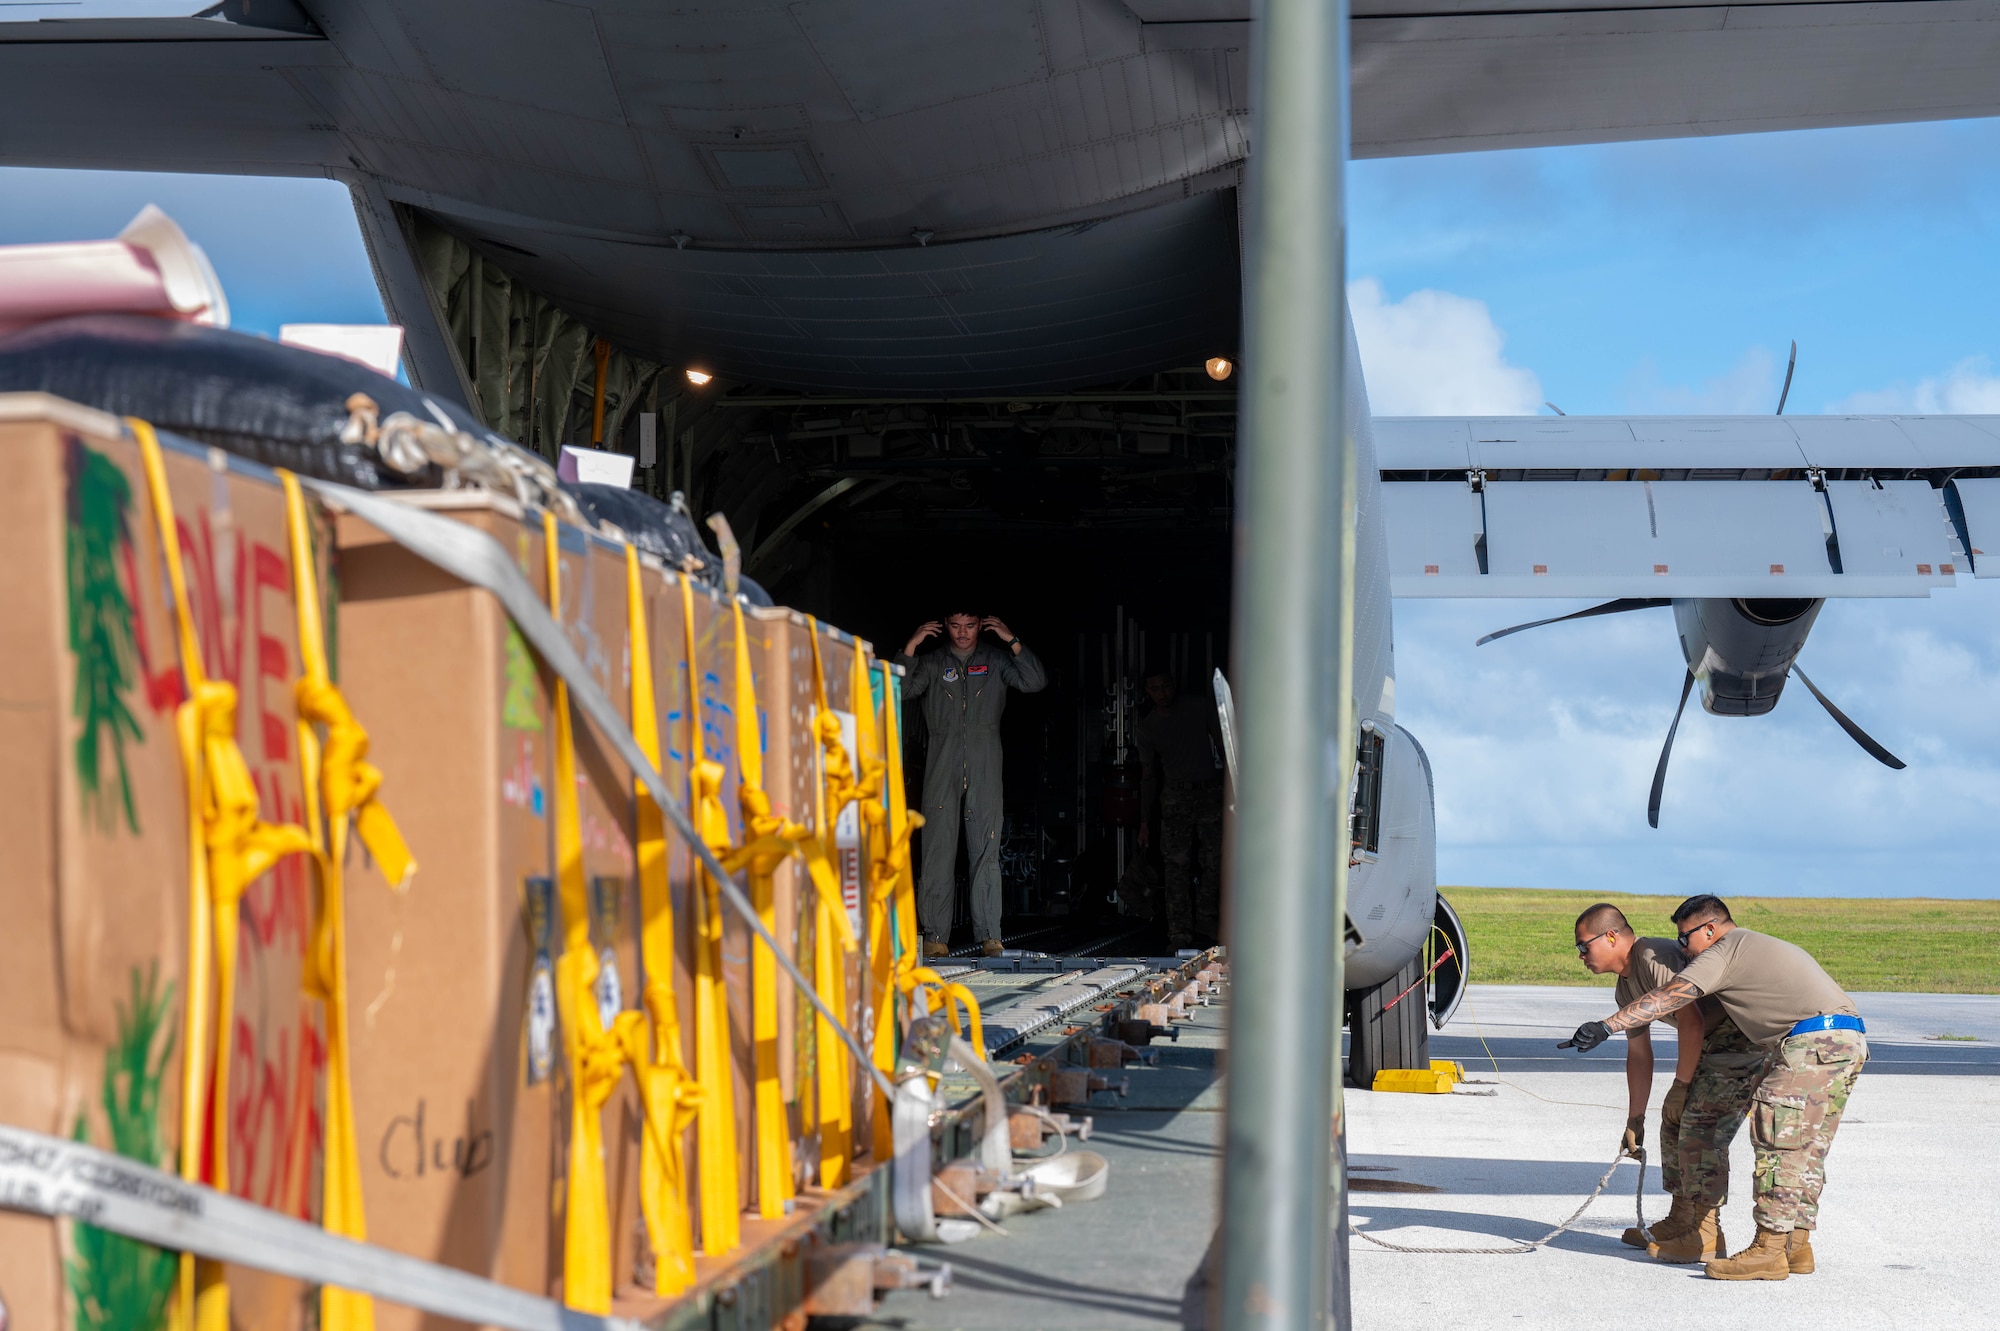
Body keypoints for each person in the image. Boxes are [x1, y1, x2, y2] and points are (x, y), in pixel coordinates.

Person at [1563, 894, 1868, 1281]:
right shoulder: (1738, 947)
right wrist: (1635, 1117)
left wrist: (1609, 1027)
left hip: (1803, 1040)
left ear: (1709, 929)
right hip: (1839, 1039)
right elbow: (1641, 1053)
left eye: (1684, 939)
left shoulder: (1725, 948)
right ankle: (1791, 1244)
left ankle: (1751, 1245)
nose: (1682, 950)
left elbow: (1677, 1002)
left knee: (1762, 1139)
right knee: (1801, 1147)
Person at [1572, 902, 1766, 1264]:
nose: (1581, 955)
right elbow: (1640, 1055)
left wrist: (1681, 1086)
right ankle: (1682, 1219)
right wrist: (1635, 1119)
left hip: (1741, 1039)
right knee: (1674, 1120)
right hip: (1712, 1044)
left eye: (1584, 945)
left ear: (1611, 936)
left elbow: (1691, 1020)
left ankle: (1707, 1234)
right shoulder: (1625, 989)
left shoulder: (1652, 956)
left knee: (1699, 1124)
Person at [898, 611, 1046, 958]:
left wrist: (1011, 639)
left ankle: (991, 936)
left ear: (982, 625)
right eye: (954, 626)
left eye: (970, 626)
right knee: (937, 850)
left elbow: (1035, 680)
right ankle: (935, 936)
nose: (962, 634)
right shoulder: (933, 663)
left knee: (986, 849)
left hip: (985, 762)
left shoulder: (995, 661)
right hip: (941, 762)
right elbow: (900, 689)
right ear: (943, 626)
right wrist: (911, 647)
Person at [1135, 669, 1224, 949]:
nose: (1162, 693)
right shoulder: (1148, 727)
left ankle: (1207, 920)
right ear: (1148, 693)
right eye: (1155, 689)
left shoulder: (1197, 707)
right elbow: (1147, 776)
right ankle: (1179, 930)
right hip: (1175, 797)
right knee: (1176, 866)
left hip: (1208, 791)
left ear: (1173, 685)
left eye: (1165, 686)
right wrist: (1145, 821)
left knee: (1216, 861)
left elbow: (1223, 745)